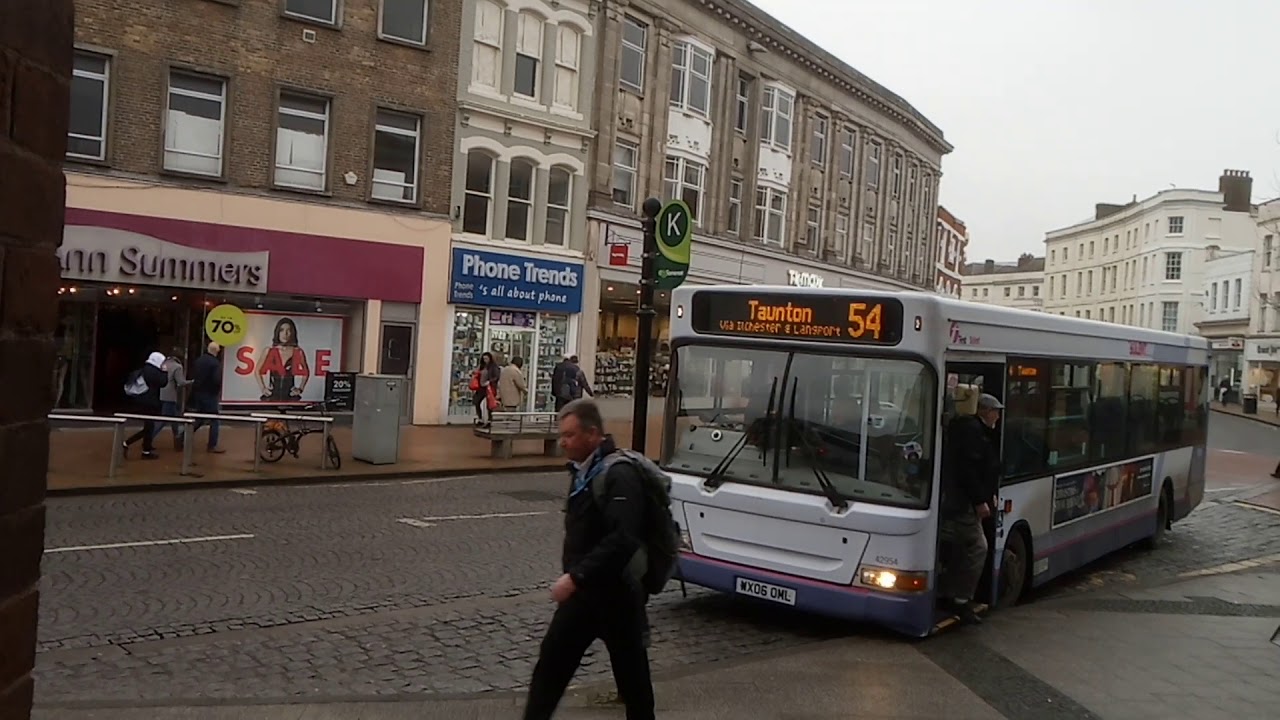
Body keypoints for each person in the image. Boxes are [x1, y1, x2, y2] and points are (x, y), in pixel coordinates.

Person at [523, 399, 655, 720]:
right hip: (583, 600)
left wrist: (575, 577)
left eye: (569, 435)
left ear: (593, 434)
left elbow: (623, 539)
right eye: (561, 435)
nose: (563, 441)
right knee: (550, 669)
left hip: (618, 598)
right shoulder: (582, 470)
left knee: (634, 682)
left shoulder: (619, 475)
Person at [938, 392, 1003, 625]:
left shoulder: (972, 430)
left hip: (960, 503)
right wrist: (979, 501)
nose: (998, 416)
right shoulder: (972, 432)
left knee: (958, 548)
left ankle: (947, 592)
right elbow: (969, 471)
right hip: (963, 505)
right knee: (978, 548)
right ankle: (961, 600)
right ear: (984, 411)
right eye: (996, 411)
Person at [122, 351, 169, 460]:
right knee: (149, 427)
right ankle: (129, 443)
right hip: (149, 403)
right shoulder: (153, 371)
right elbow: (163, 382)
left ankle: (146, 449)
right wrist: (165, 372)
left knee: (149, 427)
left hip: (143, 402)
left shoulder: (145, 369)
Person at [150, 347, 192, 449]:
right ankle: (148, 438)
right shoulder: (177, 367)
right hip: (171, 396)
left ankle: (177, 441)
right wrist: (192, 382)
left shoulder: (163, 364)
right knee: (164, 420)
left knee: (175, 420)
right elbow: (181, 382)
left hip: (161, 393)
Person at [189, 341, 226, 454]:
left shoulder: (199, 361)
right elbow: (216, 380)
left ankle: (182, 437)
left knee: (200, 418)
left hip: (198, 393)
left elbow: (193, 375)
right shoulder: (215, 363)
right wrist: (217, 391)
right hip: (209, 394)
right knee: (214, 420)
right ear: (216, 351)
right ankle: (212, 445)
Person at [471, 352, 501, 426]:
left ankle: (489, 421)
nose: (485, 360)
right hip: (481, 387)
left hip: (489, 387)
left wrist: (489, 382)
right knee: (476, 401)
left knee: (489, 405)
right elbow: (477, 372)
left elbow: (496, 376)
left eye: (486, 358)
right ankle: (480, 418)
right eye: (484, 359)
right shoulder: (481, 366)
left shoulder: (494, 367)